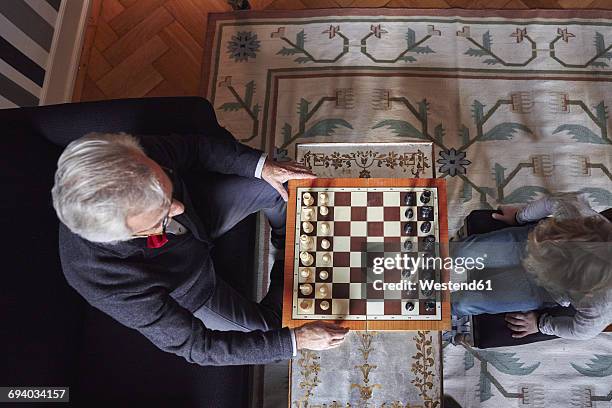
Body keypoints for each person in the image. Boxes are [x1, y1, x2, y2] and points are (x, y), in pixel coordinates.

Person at [52, 131, 348, 366]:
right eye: (161, 215)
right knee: (275, 332)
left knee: (281, 190)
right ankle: (293, 275)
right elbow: (197, 347)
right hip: (191, 286)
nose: (177, 208)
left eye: (167, 189)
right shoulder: (102, 281)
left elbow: (194, 149)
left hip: (203, 212)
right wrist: (297, 340)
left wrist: (263, 167)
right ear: (122, 235)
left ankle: (291, 248)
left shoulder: (123, 157)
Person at [451, 193, 612, 341]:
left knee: (462, 303)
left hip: (546, 290)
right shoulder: (581, 218)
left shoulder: (601, 305)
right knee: (460, 253)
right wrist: (519, 216)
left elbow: (581, 332)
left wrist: (541, 325)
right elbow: (553, 201)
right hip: (528, 242)